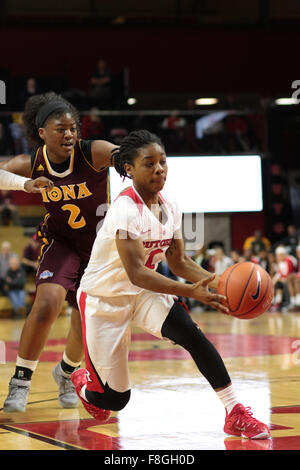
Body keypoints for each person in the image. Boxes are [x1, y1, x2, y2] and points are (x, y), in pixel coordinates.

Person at [71, 130, 270, 440]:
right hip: (104, 300)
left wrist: (219, 284)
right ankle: (84, 384)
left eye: (162, 162)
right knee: (114, 400)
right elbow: (137, 272)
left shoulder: (171, 204)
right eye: (148, 164)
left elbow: (178, 261)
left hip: (144, 294)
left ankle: (235, 412)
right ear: (129, 169)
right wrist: (190, 291)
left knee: (191, 333)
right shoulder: (125, 209)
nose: (159, 169)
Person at [1, 91, 118, 413]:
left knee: (86, 319)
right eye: (60, 129)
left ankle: (66, 373)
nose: (69, 134)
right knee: (47, 303)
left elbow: (125, 154)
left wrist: (129, 160)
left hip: (99, 247)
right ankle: (20, 382)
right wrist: (25, 185)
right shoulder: (32, 162)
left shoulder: (92, 151)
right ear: (42, 133)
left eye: (73, 128)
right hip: (61, 241)